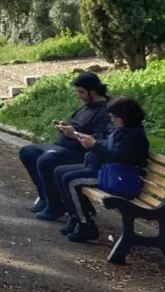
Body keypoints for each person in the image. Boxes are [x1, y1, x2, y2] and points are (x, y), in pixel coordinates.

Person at [54, 96, 149, 242]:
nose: (112, 120)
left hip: (118, 178)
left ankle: (85, 225)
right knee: (59, 172)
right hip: (106, 170)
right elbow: (105, 144)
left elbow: (116, 156)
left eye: (115, 116)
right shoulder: (122, 129)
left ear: (125, 116)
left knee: (70, 180)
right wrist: (76, 135)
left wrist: (94, 145)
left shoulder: (133, 135)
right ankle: (76, 217)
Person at [18, 72, 111, 220]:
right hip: (61, 146)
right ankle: (45, 197)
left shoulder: (104, 112)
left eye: (81, 92)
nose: (79, 96)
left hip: (78, 153)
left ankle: (54, 207)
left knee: (45, 161)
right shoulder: (87, 106)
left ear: (93, 91)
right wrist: (64, 127)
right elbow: (79, 125)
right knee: (28, 152)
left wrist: (74, 134)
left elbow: (96, 141)